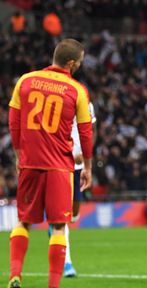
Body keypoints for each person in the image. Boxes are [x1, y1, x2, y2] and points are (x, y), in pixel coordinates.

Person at [6, 38, 93, 288]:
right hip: (59, 166)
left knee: (23, 221)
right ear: (72, 63)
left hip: (30, 163)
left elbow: (14, 122)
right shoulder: (77, 90)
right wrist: (87, 167)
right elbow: (85, 133)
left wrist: (18, 154)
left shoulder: (25, 80)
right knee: (58, 226)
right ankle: (53, 285)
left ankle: (15, 275)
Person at [62, 100, 96, 277]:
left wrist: (86, 156)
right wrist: (68, 152)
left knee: (74, 215)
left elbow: (92, 131)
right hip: (59, 163)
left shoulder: (85, 102)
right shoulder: (55, 99)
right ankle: (66, 261)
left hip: (79, 166)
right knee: (62, 216)